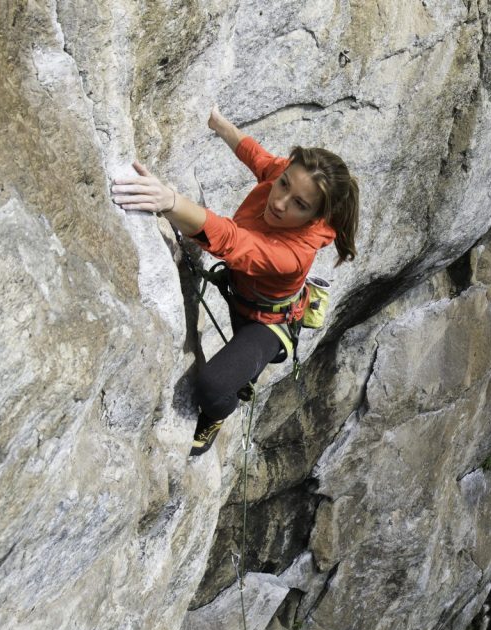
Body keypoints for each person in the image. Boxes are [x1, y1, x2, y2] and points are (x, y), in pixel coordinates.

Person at [111, 106, 359, 455]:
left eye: (299, 204)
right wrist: (217, 121)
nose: (279, 200)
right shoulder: (281, 179)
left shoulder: (293, 255)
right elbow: (256, 155)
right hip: (242, 293)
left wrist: (171, 202)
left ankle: (220, 412)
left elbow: (232, 241)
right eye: (284, 183)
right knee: (236, 367)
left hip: (267, 324)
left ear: (315, 216)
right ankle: (243, 374)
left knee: (211, 386)